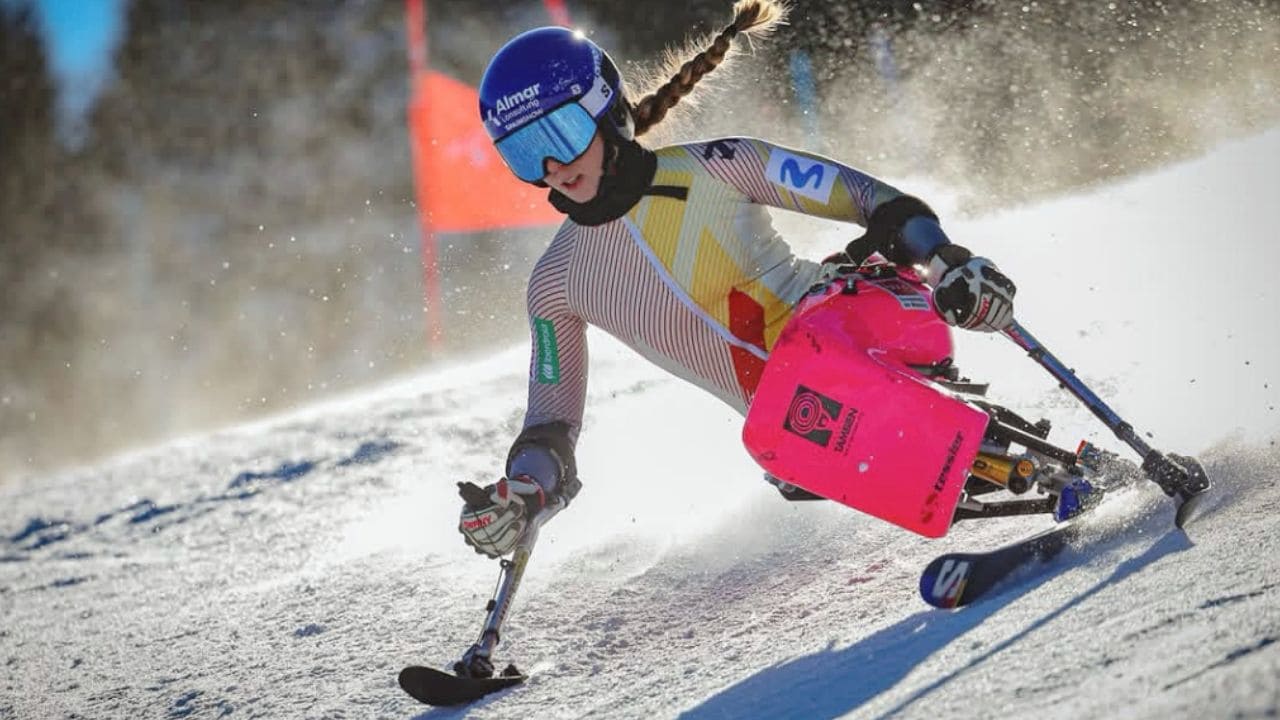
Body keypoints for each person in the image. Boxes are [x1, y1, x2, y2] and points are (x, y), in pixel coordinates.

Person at [458, 0, 1017, 559]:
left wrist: (947, 262)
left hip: (870, 319)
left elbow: (873, 201)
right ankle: (1006, 478)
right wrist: (525, 492)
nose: (552, 165)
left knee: (808, 372)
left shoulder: (718, 165)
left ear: (605, 110)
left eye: (561, 131)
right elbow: (552, 419)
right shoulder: (557, 282)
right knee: (776, 445)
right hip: (799, 428)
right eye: (525, 151)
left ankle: (996, 452)